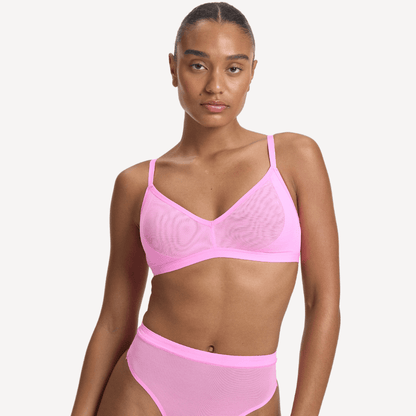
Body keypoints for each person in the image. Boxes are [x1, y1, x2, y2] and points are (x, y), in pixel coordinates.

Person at [71, 2, 340, 415]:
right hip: (144, 390)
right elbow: (113, 321)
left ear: (252, 73)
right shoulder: (137, 184)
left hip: (249, 396)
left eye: (233, 68)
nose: (215, 85)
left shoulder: (293, 158)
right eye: (198, 66)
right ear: (173, 68)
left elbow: (322, 302)